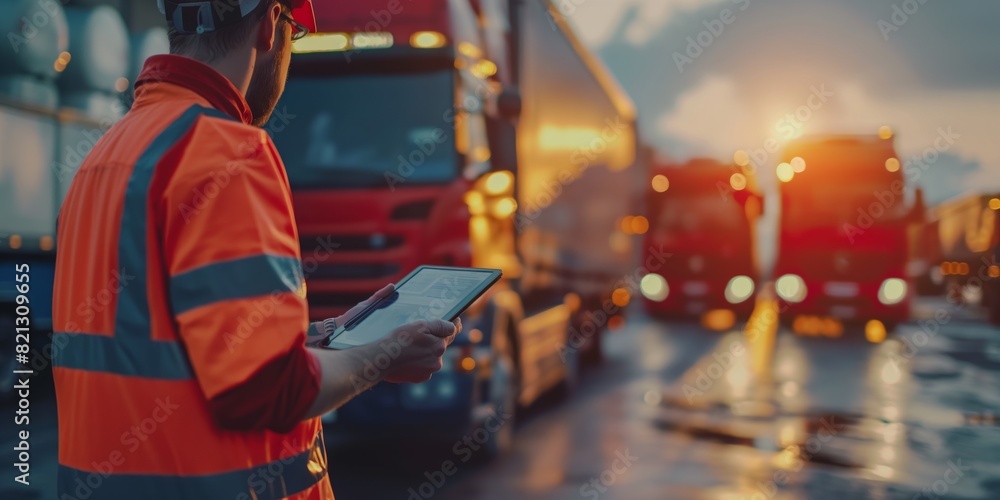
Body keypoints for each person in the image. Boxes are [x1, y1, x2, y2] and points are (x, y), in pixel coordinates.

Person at [51, 1, 459, 498]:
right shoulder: (227, 151)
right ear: (271, 25)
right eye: (295, 32)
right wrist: (386, 355)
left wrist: (326, 335)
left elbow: (173, 348)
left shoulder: (104, 157)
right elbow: (268, 388)